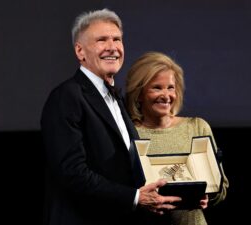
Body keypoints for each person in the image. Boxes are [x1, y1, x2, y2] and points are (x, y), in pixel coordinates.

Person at [40, 9, 181, 225]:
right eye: (101, 40)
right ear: (80, 51)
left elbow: (128, 168)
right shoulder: (66, 96)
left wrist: (185, 192)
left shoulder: (117, 100)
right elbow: (73, 173)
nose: (112, 47)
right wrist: (135, 197)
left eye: (117, 39)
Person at [125, 51, 229, 225]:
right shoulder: (128, 133)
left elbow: (221, 189)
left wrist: (208, 197)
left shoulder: (197, 127)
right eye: (157, 87)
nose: (166, 95)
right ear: (139, 93)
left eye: (170, 87)